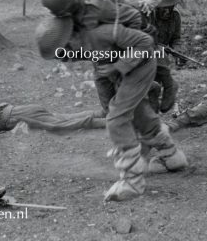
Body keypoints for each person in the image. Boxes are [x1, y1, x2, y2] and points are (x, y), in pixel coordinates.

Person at [36, 15, 188, 202]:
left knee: (117, 118)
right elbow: (94, 56)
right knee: (123, 112)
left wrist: (121, 67)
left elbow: (146, 44)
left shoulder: (104, 32)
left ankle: (132, 182)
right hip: (113, 68)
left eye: (65, 49)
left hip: (138, 65)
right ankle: (170, 155)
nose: (65, 56)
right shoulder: (85, 38)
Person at [0, 104, 106, 135]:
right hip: (24, 109)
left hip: (19, 116)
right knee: (60, 117)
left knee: (59, 126)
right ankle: (100, 113)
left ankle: (106, 122)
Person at [153, 0, 182, 112]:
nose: (167, 12)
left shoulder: (175, 16)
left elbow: (176, 38)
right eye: (163, 9)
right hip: (147, 51)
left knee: (156, 81)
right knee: (151, 85)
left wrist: (178, 51)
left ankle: (169, 86)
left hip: (162, 57)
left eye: (170, 8)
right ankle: (169, 84)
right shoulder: (148, 15)